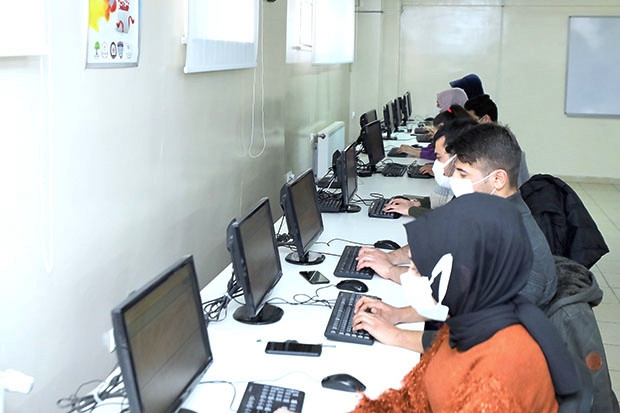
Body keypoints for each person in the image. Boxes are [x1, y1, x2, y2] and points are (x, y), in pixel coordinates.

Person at [351, 194, 579, 412]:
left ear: (461, 275)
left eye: (419, 269)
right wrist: (397, 318)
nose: (410, 275)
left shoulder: (498, 372)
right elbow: (421, 390)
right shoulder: (477, 315)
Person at [356, 123, 557, 352]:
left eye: (462, 173)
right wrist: (397, 314)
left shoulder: (515, 248)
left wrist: (395, 335)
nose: (453, 178)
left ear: (498, 179)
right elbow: (459, 300)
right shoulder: (491, 218)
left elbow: (476, 341)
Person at [386, 118, 478, 218]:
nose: (436, 164)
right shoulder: (466, 188)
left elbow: (448, 219)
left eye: (438, 157)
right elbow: (447, 203)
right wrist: (416, 203)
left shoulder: (476, 196)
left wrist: (410, 210)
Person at [395, 105, 471, 160]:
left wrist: (416, 152)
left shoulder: (456, 150)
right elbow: (434, 150)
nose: (434, 134)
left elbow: (437, 155)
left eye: (435, 131)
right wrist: (415, 150)